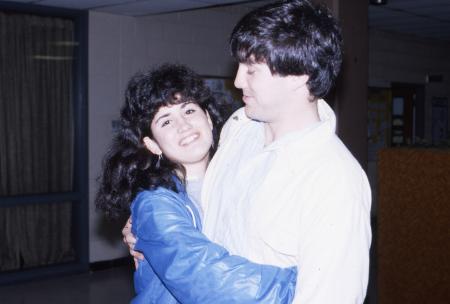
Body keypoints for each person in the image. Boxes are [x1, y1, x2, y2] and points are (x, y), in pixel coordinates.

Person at [125, 0, 372, 303]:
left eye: (252, 70)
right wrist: (150, 231)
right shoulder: (239, 128)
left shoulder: (334, 179)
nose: (238, 79)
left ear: (299, 75)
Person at [96, 63, 297, 304]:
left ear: (209, 118)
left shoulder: (239, 178)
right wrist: (304, 283)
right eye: (166, 122)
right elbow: (209, 280)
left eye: (189, 111)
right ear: (152, 144)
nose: (184, 126)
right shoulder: (155, 203)